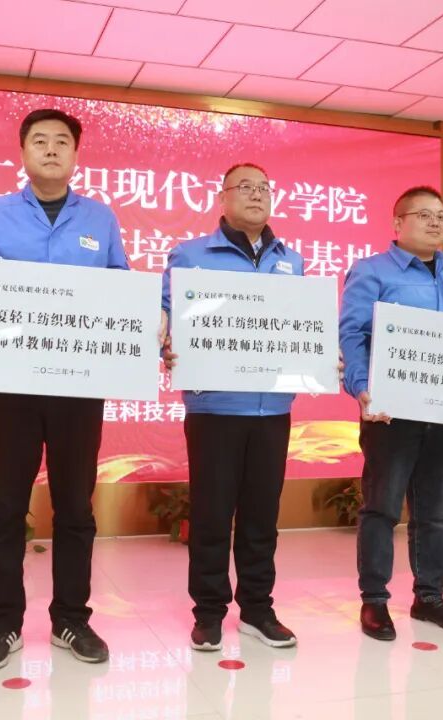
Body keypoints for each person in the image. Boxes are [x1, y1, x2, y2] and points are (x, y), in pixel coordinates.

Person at [0, 108, 128, 671]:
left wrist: (146, 317)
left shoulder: (100, 218)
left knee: (75, 506)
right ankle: (3, 625)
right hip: (9, 386)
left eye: (62, 141)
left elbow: (121, 288)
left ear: (76, 154)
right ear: (22, 152)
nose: (51, 149)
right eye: (40, 141)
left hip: (79, 386)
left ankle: (72, 619)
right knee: (5, 507)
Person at [161, 163, 303, 652]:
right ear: (221, 198)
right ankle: (209, 612)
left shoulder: (292, 261)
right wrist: (164, 339)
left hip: (272, 408)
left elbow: (300, 325)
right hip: (215, 407)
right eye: (245, 187)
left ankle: (258, 609)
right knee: (211, 514)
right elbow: (165, 315)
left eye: (264, 187)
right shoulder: (191, 255)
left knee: (262, 516)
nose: (257, 194)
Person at [339, 185, 443, 641]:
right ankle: (374, 600)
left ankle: (429, 597)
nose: (435, 222)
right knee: (382, 507)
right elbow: (352, 334)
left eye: (441, 215)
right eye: (424, 214)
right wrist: (361, 388)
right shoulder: (372, 270)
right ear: (398, 223)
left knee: (434, 511)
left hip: (441, 410)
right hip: (390, 413)